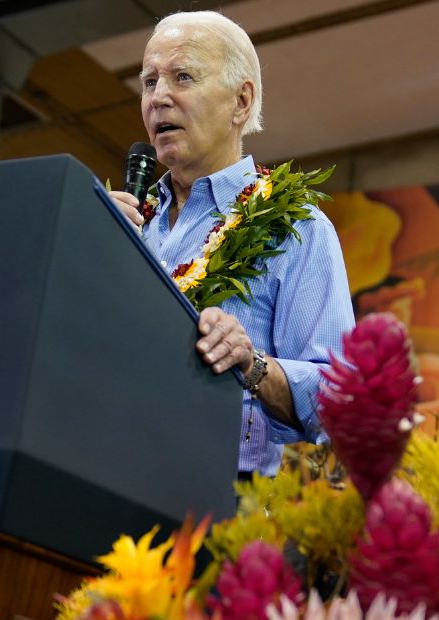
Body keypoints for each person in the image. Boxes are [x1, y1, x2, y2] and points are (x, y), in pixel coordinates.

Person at [108, 11, 355, 477]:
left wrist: (251, 363)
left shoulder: (296, 228)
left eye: (183, 76)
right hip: (97, 473)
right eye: (148, 81)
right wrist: (93, 248)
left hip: (216, 508)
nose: (159, 97)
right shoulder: (123, 224)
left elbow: (338, 399)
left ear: (241, 102)